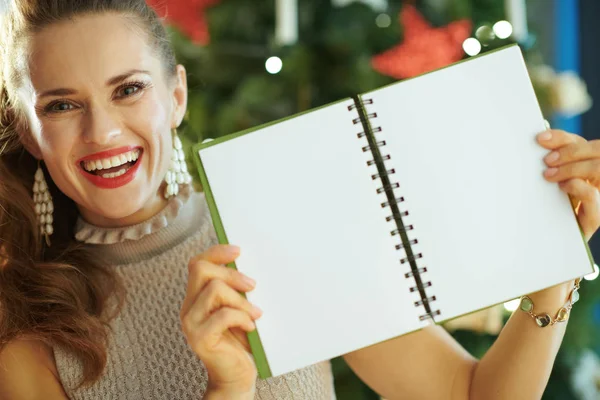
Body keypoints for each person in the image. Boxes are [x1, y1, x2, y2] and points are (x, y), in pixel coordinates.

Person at [0, 1, 598, 399]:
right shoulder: (22, 313)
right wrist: (227, 389)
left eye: (128, 89)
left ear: (176, 95)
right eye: (61, 104)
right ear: (29, 131)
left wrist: (555, 268)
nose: (102, 132)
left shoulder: (279, 223)